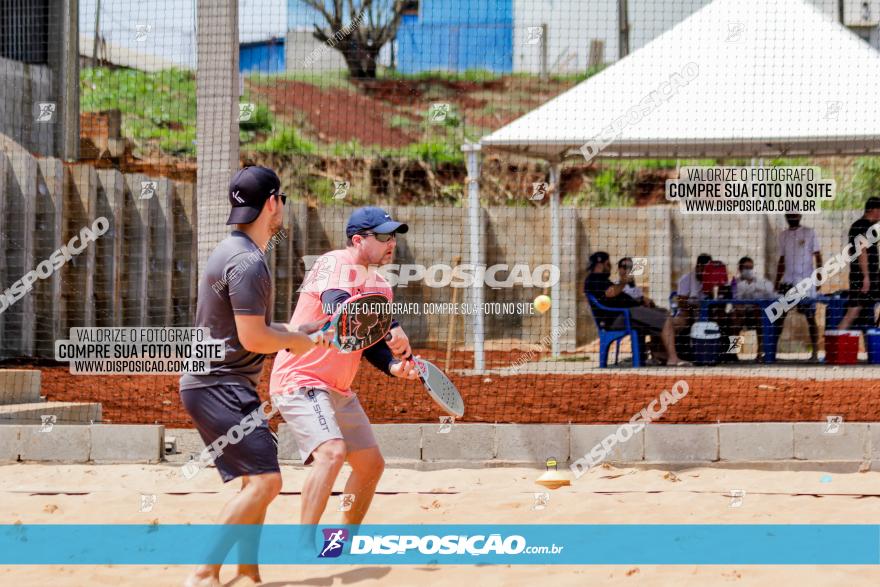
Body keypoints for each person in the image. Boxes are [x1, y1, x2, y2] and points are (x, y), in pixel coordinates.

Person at [179, 166, 333, 587]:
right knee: (267, 482)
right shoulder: (249, 262)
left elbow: (249, 329)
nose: (283, 206)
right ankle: (202, 573)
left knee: (255, 479)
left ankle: (247, 571)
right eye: (281, 199)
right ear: (272, 204)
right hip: (220, 385)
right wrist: (296, 344)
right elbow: (253, 337)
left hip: (217, 382)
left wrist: (300, 333)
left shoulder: (233, 251)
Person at [269, 207, 421, 545]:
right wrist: (394, 327)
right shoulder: (333, 262)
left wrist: (395, 366)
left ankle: (341, 542)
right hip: (300, 378)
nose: (391, 242)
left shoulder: (381, 286)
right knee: (332, 452)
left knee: (371, 466)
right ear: (358, 239)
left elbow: (366, 343)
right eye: (383, 236)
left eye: (393, 235)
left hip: (337, 387)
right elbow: (341, 307)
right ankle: (303, 543)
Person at [584, 251, 690, 366]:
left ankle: (659, 353)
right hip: (620, 317)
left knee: (662, 313)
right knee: (664, 319)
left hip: (628, 314)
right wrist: (623, 281)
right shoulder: (594, 279)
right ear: (601, 264)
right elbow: (610, 293)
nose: (610, 267)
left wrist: (641, 301)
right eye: (608, 264)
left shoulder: (602, 280)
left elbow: (615, 296)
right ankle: (672, 358)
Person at [774, 213, 823, 361]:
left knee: (810, 317)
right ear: (786, 216)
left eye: (795, 213)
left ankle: (814, 352)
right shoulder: (783, 235)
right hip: (788, 282)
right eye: (789, 214)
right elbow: (782, 259)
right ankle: (772, 353)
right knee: (779, 316)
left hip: (806, 282)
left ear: (800, 215)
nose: (792, 216)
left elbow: (818, 256)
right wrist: (777, 281)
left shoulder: (809, 232)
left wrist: (819, 277)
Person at [837, 197, 880, 330]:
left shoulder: (859, 226)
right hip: (863, 279)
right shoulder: (862, 226)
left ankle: (873, 346)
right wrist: (866, 277)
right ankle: (835, 342)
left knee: (860, 314)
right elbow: (862, 251)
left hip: (865, 277)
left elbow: (851, 252)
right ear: (874, 210)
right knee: (852, 313)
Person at [732, 256, 775, 362]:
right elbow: (735, 301)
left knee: (761, 317)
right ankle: (733, 353)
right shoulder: (735, 282)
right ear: (740, 269)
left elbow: (770, 293)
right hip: (741, 312)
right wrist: (740, 309)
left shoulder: (760, 281)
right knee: (735, 319)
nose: (748, 270)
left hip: (755, 313)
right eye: (746, 267)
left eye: (750, 267)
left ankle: (759, 354)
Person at [673, 254, 712, 351]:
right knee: (679, 322)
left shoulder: (714, 280)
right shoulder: (685, 279)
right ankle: (678, 352)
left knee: (731, 321)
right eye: (705, 268)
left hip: (709, 312)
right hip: (688, 311)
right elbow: (681, 303)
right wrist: (695, 307)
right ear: (698, 267)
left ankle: (732, 352)